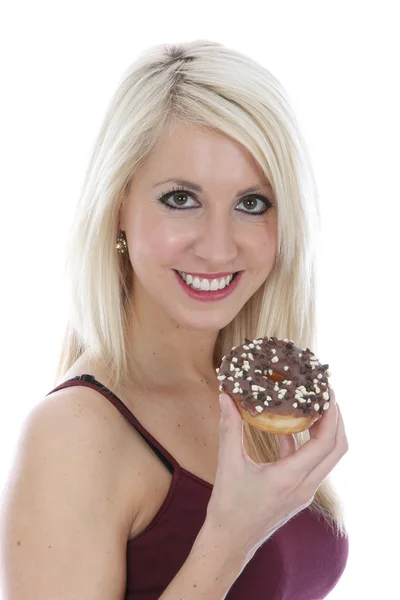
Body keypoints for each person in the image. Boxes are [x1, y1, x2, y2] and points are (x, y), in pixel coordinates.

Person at [0, 40, 349, 599]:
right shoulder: (73, 433)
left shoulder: (247, 398)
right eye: (181, 199)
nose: (217, 249)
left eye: (252, 203)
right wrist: (230, 538)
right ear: (119, 205)